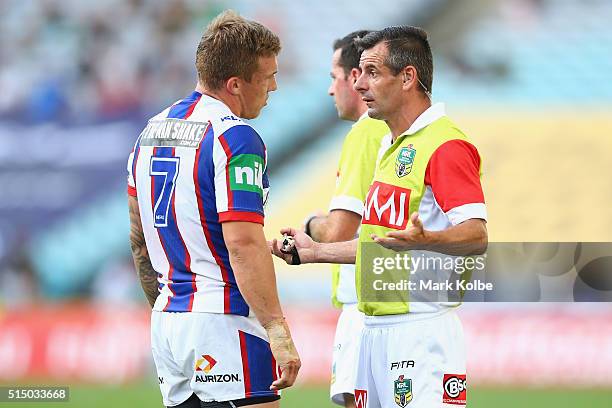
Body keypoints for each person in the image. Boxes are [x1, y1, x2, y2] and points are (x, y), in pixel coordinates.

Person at [271, 26, 487, 408]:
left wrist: (428, 240)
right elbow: (379, 243)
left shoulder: (445, 145)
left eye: (372, 72)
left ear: (407, 77)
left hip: (420, 330)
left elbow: (476, 234)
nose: (360, 85)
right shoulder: (389, 147)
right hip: (375, 327)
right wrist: (312, 253)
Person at [127, 10, 300, 408]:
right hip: (223, 320)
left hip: (168, 320)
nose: (274, 85)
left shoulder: (149, 132)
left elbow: (139, 240)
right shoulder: (236, 137)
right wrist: (277, 330)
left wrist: (167, 311)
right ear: (236, 84)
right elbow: (242, 244)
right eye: (268, 76)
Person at [303, 30, 389, 408]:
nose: (331, 89)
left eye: (334, 77)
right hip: (390, 300)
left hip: (365, 303)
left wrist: (309, 225)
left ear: (355, 77)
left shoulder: (366, 132)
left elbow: (338, 230)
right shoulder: (391, 131)